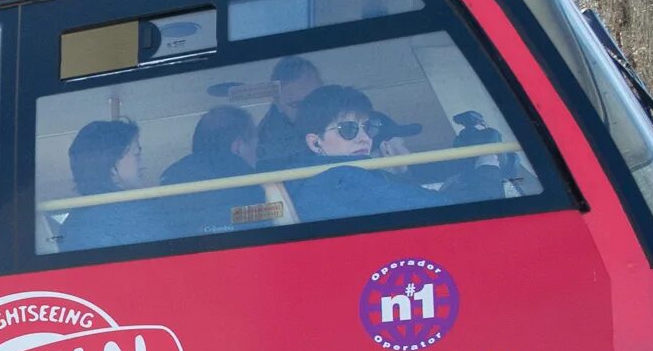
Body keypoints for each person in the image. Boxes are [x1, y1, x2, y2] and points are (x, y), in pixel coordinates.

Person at [287, 84, 490, 224]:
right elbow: (450, 211)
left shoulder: (321, 179)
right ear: (315, 143)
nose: (364, 137)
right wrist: (488, 163)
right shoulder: (343, 177)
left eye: (368, 127)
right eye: (348, 129)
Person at [56, 119, 177, 251]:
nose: (142, 164)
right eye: (137, 155)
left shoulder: (71, 225)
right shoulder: (140, 214)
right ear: (112, 168)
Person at [157, 105, 264, 236]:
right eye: (255, 147)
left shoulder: (170, 180)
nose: (257, 156)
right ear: (238, 147)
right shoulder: (249, 187)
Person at [254, 55, 324, 172]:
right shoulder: (265, 143)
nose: (306, 110)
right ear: (278, 104)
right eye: (296, 105)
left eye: (313, 99)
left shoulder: (347, 120)